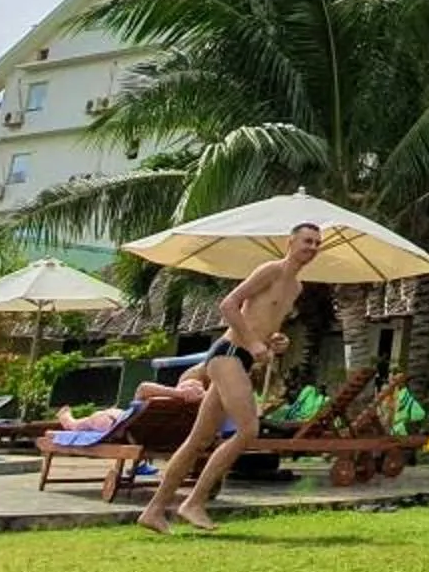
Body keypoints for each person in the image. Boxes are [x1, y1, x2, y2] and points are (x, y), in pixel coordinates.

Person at [137, 223, 320, 534]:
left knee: (199, 440)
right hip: (228, 353)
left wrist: (276, 340)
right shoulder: (270, 270)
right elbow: (228, 305)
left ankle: (154, 510)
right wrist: (251, 342)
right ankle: (194, 502)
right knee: (248, 429)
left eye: (317, 243)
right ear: (290, 241)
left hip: (243, 359)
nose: (312, 247)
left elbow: (265, 322)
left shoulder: (296, 288)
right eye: (307, 241)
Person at [54, 364, 208, 432]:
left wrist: (179, 393)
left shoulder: (167, 400)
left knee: (102, 416)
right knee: (106, 415)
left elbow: (143, 387)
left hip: (122, 426)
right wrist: (182, 394)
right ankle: (70, 421)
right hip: (126, 424)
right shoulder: (178, 401)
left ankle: (70, 422)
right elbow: (144, 388)